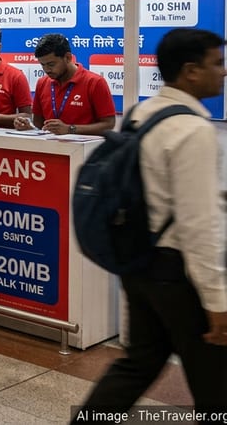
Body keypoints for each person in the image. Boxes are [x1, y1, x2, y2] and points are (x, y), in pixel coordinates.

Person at [74, 28, 227, 419]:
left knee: (139, 362)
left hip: (139, 261)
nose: (223, 73)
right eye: (218, 63)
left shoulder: (143, 114)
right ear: (191, 71)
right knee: (216, 383)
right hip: (178, 275)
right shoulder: (193, 130)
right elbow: (199, 224)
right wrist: (217, 300)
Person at [13, 33, 115, 136]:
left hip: (84, 149)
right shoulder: (42, 83)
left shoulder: (95, 82)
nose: (47, 69)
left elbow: (108, 124)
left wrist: (70, 129)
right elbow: (39, 125)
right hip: (49, 148)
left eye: (51, 64)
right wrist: (28, 127)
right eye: (42, 65)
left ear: (67, 57)